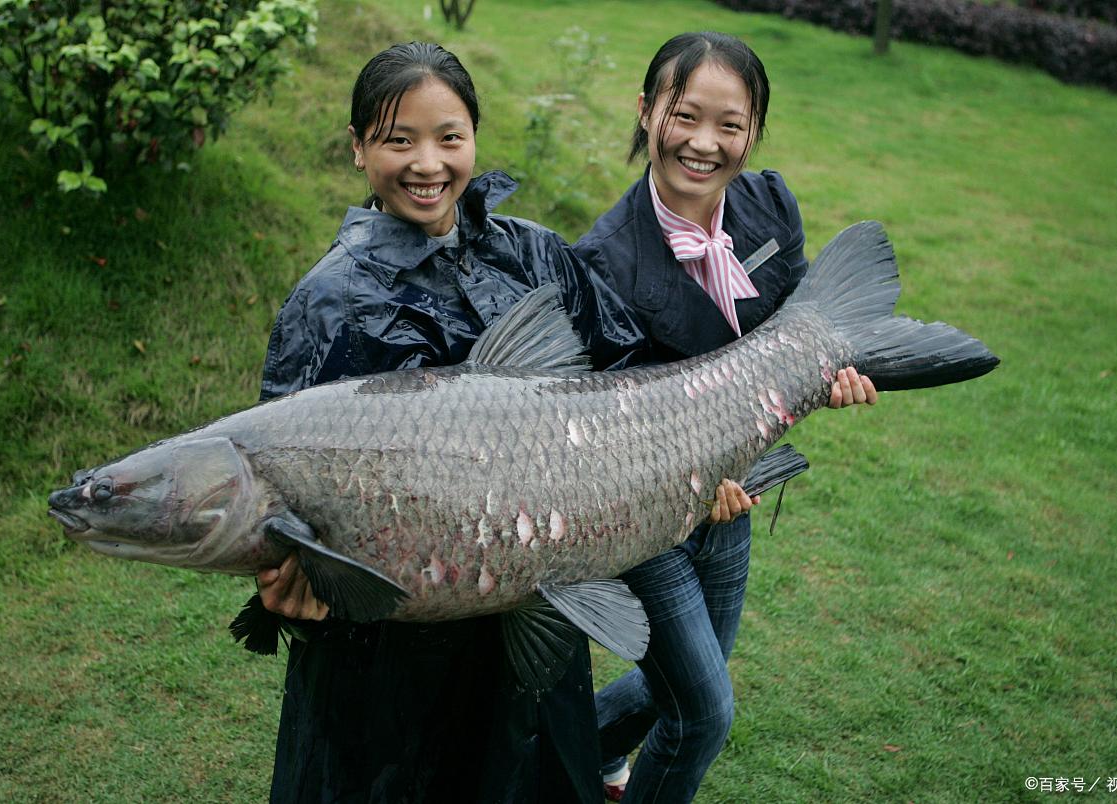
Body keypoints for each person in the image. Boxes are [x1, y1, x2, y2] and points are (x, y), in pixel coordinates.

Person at [250, 41, 648, 803]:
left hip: (537, 613)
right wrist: (285, 587)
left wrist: (691, 472)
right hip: (387, 671)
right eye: (400, 140)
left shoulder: (533, 254)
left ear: (474, 137)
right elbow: (276, 488)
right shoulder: (328, 300)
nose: (427, 163)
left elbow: (627, 374)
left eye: (450, 137)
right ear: (359, 148)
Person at [573, 32, 878, 803]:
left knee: (666, 686)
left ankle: (571, 752)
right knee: (702, 713)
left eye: (731, 124)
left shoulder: (769, 204)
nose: (704, 145)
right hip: (644, 518)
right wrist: (689, 479)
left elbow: (801, 327)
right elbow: (607, 430)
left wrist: (832, 375)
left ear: (754, 132)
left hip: (735, 497)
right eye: (685, 116)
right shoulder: (601, 263)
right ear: (646, 114)